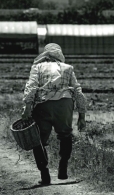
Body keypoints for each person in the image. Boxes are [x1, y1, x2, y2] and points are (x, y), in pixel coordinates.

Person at [21, 43, 87, 185]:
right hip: (64, 103)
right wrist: (82, 116)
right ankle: (62, 168)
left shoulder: (37, 67)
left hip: (43, 105)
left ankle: (44, 174)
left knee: (38, 139)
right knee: (65, 135)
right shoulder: (68, 68)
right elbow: (78, 91)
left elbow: (31, 88)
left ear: (45, 55)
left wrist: (27, 109)